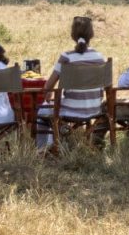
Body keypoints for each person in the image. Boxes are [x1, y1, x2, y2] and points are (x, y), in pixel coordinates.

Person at [35, 15, 109, 148]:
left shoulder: (67, 57)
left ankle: (43, 149)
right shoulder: (99, 57)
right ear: (91, 34)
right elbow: (106, 87)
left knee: (42, 111)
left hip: (71, 110)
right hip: (94, 109)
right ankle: (65, 142)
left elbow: (48, 86)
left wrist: (48, 94)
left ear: (72, 35)